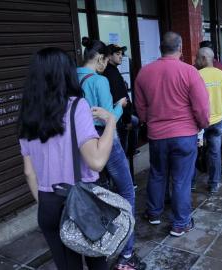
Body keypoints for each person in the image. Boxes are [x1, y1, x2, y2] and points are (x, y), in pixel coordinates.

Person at [18, 47, 115, 270]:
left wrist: (46, 203)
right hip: (82, 202)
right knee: (96, 262)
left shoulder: (28, 113)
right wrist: (110, 122)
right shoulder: (76, 106)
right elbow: (97, 161)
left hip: (48, 204)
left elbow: (28, 172)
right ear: (66, 73)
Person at [77, 37, 145, 270]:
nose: (106, 65)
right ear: (99, 59)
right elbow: (109, 120)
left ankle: (100, 249)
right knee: (127, 192)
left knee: (97, 195)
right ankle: (126, 254)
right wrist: (121, 106)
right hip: (105, 140)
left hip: (83, 142)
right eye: (105, 61)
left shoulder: (73, 77)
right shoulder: (99, 80)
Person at [135, 32, 209, 237]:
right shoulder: (190, 72)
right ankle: (180, 223)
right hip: (185, 135)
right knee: (181, 180)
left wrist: (147, 122)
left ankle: (153, 213)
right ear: (180, 48)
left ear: (161, 48)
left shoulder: (144, 72)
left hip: (157, 135)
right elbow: (202, 108)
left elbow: (140, 108)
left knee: (157, 174)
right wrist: (201, 126)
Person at [195, 47, 222, 193]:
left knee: (194, 151)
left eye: (197, 57)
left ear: (204, 58)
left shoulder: (195, 75)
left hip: (199, 122)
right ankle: (213, 184)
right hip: (218, 120)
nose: (195, 60)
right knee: (214, 152)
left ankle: (192, 182)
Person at [103, 44, 140, 156]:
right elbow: (121, 97)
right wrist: (127, 119)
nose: (121, 57)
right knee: (121, 151)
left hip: (118, 115)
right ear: (109, 56)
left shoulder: (113, 71)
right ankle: (129, 153)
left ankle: (131, 151)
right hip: (119, 117)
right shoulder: (111, 73)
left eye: (121, 54)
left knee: (136, 122)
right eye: (117, 54)